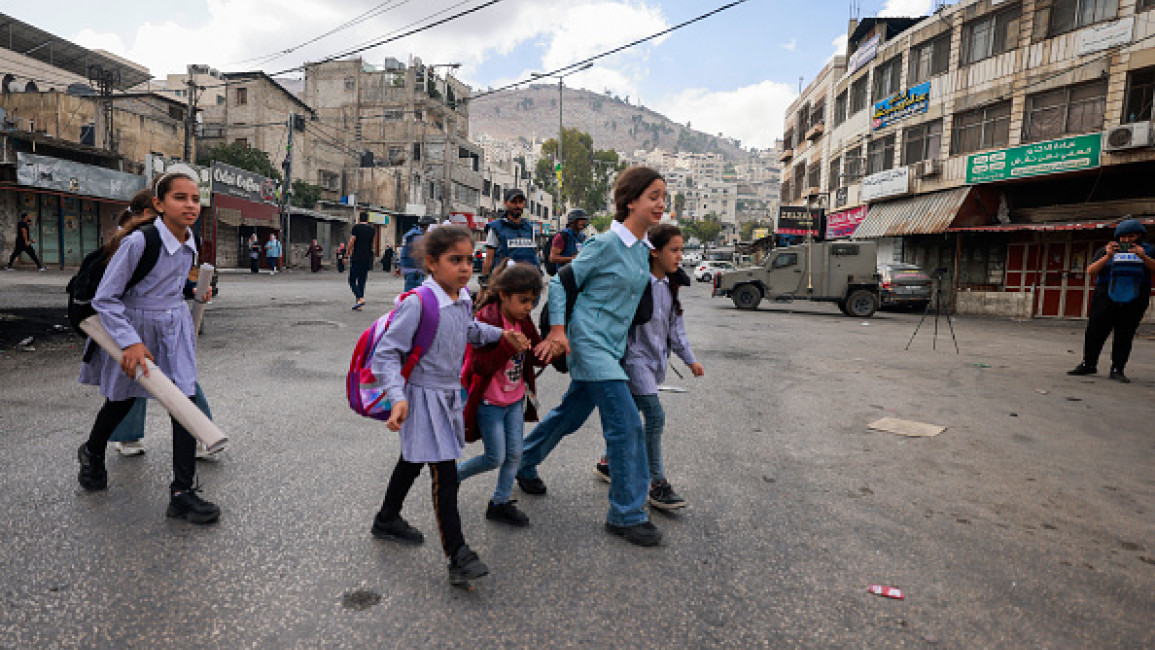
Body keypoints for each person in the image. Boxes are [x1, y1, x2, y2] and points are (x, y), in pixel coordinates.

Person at [367, 224, 534, 586]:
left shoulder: (460, 299)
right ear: (431, 263)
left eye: (469, 259)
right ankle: (457, 553)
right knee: (444, 473)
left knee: (412, 460)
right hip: (421, 399)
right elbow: (386, 355)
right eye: (454, 260)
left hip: (447, 397)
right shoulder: (418, 303)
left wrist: (500, 334)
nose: (464, 267)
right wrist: (397, 399)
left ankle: (386, 518)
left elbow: (470, 330)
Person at [515, 166, 667, 547]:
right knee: (627, 424)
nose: (661, 204)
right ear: (630, 201)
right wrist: (558, 332)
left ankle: (523, 461)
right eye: (654, 196)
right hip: (588, 343)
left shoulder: (641, 250)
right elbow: (562, 282)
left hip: (611, 349)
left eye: (664, 197)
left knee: (570, 414)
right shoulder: (604, 244)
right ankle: (626, 513)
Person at [75, 171, 220, 524]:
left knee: (183, 401)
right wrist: (131, 343)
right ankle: (92, 453)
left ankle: (182, 493)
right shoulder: (139, 242)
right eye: (180, 198)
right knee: (122, 399)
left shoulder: (190, 241)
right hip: (134, 331)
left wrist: (193, 293)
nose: (190, 205)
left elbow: (168, 284)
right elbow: (105, 298)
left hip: (175, 329)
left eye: (195, 198)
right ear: (159, 204)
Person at [592, 224, 704, 510]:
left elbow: (675, 330)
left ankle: (606, 462)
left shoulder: (671, 286)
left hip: (655, 363)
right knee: (654, 416)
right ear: (654, 252)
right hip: (632, 360)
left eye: (681, 250)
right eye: (674, 250)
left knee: (633, 412)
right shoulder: (636, 282)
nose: (680, 256)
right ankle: (657, 484)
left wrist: (690, 360)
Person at [458, 263, 549, 527]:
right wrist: (507, 347)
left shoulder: (523, 319)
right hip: (490, 402)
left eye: (532, 302)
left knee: (515, 454)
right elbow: (478, 366)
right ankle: (452, 476)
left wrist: (550, 350)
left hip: (514, 400)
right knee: (494, 457)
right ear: (504, 295)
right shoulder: (487, 319)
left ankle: (499, 502)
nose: (528, 308)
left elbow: (533, 356)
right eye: (523, 301)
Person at [1068, 218, 1155, 383]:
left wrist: (1143, 257)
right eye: (1123, 237)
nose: (1127, 240)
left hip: (1135, 298)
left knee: (1124, 334)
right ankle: (1089, 364)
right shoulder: (1105, 251)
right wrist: (1108, 256)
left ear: (1140, 236)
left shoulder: (1149, 250)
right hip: (1105, 296)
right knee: (1095, 331)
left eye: (1132, 236)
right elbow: (1091, 270)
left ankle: (1117, 369)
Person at [481, 188, 539, 282]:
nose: (518, 206)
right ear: (506, 203)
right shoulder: (496, 228)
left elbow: (533, 255)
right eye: (514, 202)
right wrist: (483, 286)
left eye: (520, 202)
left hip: (528, 282)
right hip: (505, 282)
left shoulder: (529, 227)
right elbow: (488, 260)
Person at [398, 215, 437, 292]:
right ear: (427, 226)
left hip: (410, 268)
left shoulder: (412, 233)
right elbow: (421, 253)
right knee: (414, 293)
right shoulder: (419, 236)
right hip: (415, 270)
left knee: (411, 292)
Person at [348, 212, 375, 310]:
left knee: (351, 280)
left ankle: (360, 298)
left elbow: (352, 241)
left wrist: (347, 254)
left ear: (359, 219)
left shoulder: (356, 228)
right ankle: (359, 304)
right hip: (367, 258)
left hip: (357, 257)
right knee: (361, 281)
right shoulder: (372, 230)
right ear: (367, 219)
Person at [548, 209, 589, 273]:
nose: (583, 222)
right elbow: (553, 258)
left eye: (584, 220)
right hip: (564, 275)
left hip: (578, 274)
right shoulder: (562, 236)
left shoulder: (582, 236)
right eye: (580, 220)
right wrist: (572, 259)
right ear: (572, 222)